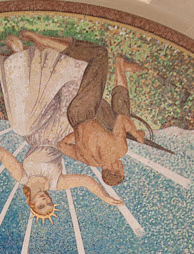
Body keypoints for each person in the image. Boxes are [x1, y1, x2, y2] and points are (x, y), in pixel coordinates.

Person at [0, 34, 123, 224]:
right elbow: (86, 181)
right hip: (61, 131)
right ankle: (56, 54)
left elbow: (0, 152)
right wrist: (104, 196)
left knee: (20, 125)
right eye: (50, 204)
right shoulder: (56, 183)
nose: (46, 201)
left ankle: (20, 55)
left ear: (31, 202)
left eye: (41, 205)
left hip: (36, 129)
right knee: (71, 87)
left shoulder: (22, 177)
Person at [18, 30, 147, 187]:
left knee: (99, 55)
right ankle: (120, 66)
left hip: (86, 110)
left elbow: (122, 120)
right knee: (120, 112)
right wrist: (80, 134)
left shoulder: (118, 150)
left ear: (114, 170)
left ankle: (46, 42)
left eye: (121, 169)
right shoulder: (89, 161)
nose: (122, 165)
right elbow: (62, 145)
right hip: (76, 116)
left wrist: (136, 133)